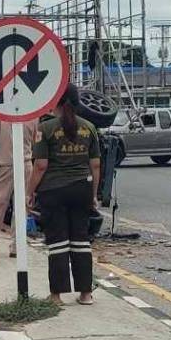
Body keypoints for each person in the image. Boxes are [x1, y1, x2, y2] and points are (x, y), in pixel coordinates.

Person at [27, 86, 101, 305]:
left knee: (58, 242)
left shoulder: (45, 128)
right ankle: (86, 294)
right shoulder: (89, 127)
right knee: (81, 240)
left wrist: (29, 192)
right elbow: (95, 164)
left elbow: (40, 165)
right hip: (82, 189)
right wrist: (93, 195)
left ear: (56, 102)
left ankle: (57, 296)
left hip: (54, 191)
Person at [0, 115, 32, 255]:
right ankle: (17, 247)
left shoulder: (2, 114)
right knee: (21, 207)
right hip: (26, 164)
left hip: (5, 164)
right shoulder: (33, 114)